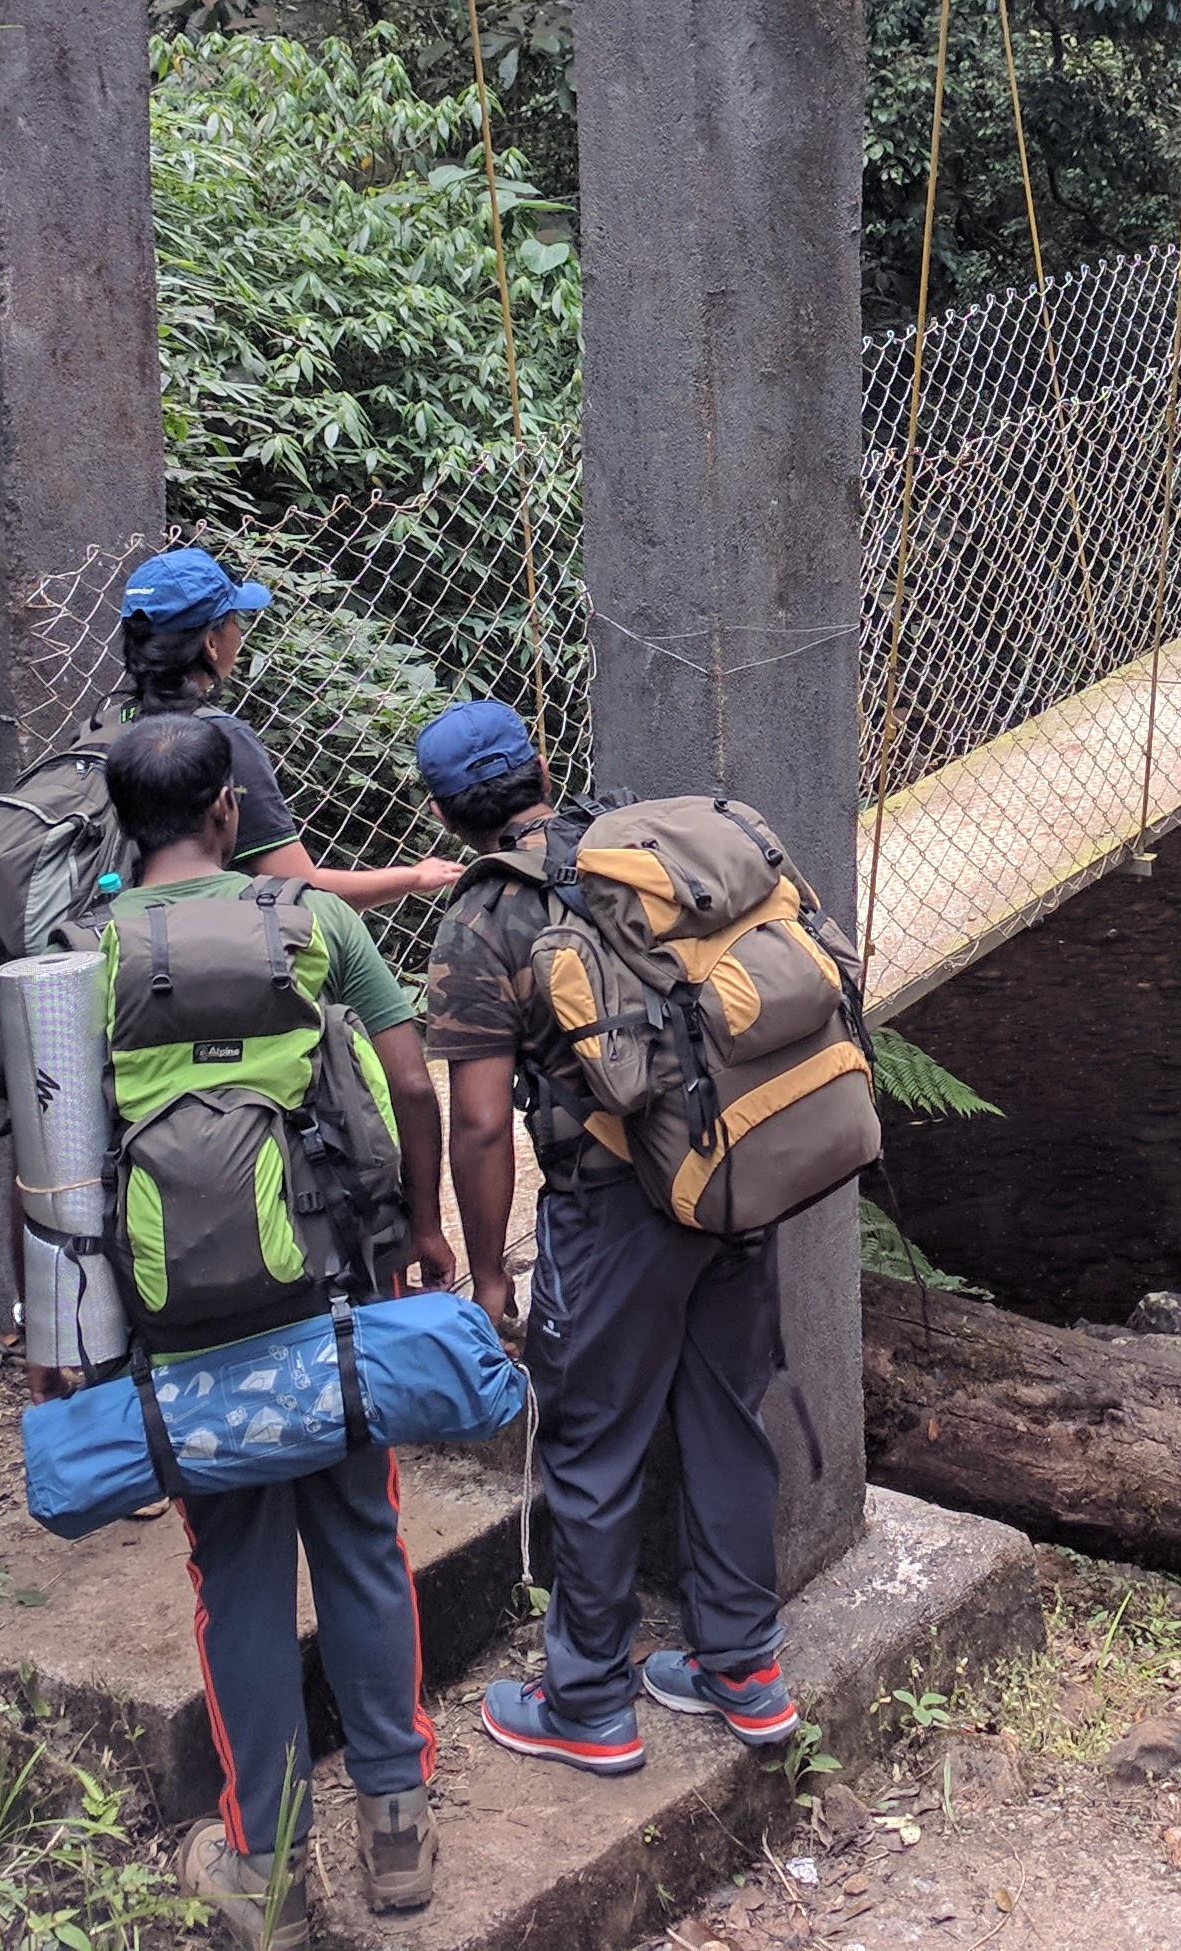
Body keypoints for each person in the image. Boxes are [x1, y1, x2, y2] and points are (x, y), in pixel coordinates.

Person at [98, 709, 451, 1939]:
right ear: (228, 813)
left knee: (235, 1577)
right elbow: (412, 1081)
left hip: (179, 1319)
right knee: (359, 1536)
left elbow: (53, 1177)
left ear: (119, 828)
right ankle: (397, 1833)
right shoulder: (315, 922)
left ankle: (271, 1869)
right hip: (330, 1289)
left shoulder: (85, 955)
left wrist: (74, 1359)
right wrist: (426, 1227)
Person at [414, 699, 801, 1775]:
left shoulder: (485, 920)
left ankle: (587, 1700)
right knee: (728, 1418)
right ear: (544, 767)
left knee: (590, 1445)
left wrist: (490, 1273)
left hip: (612, 1210)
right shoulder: (639, 848)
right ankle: (743, 1669)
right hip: (728, 1177)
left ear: (446, 813)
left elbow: (484, 1122)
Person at [116, 547, 467, 916]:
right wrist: (412, 877)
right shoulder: (217, 739)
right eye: (235, 619)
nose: (241, 631)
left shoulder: (106, 728)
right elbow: (301, 889)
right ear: (211, 642)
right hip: (199, 951)